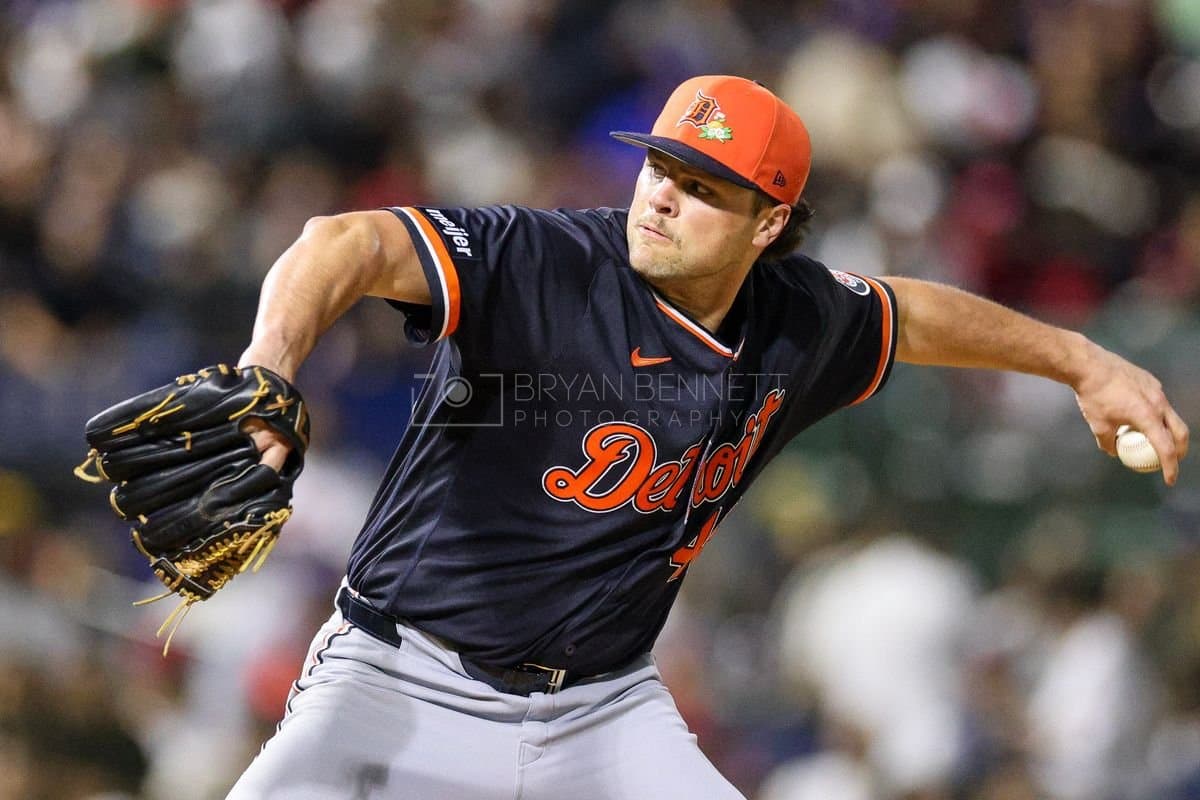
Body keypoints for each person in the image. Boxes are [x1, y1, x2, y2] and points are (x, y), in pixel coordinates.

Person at [225, 75, 1189, 799]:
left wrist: (1080, 361)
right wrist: (268, 371)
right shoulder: (544, 263)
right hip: (402, 671)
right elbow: (340, 244)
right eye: (662, 166)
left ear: (770, 222)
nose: (661, 195)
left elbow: (918, 315)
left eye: (703, 186)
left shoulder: (798, 323)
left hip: (604, 710)